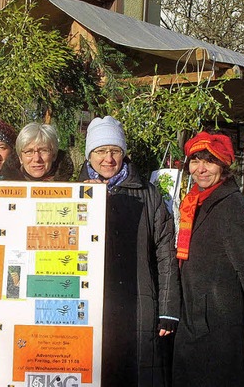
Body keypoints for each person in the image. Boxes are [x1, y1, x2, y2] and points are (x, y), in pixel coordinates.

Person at [78, 116, 180, 386]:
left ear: (124, 154)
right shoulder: (74, 191)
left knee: (133, 373)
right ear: (90, 156)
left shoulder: (148, 193)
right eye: (100, 151)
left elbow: (165, 254)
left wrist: (168, 309)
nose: (108, 159)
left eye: (115, 151)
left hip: (135, 301)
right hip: (90, 303)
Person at [172, 131, 244, 386]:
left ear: (223, 166)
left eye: (209, 161)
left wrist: (225, 303)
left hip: (218, 325)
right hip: (195, 318)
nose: (200, 169)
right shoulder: (195, 201)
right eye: (195, 160)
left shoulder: (233, 207)